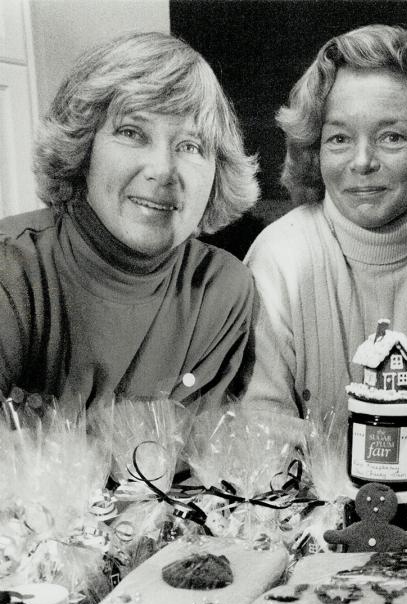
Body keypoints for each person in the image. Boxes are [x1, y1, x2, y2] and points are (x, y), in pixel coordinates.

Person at [241, 23, 407, 430]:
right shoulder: (279, 255)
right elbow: (260, 429)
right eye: (339, 138)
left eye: (391, 137)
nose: (362, 162)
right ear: (313, 148)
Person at [0, 31, 259, 411]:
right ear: (83, 149)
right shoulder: (12, 270)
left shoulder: (223, 292)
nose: (162, 170)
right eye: (132, 133)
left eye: (190, 146)